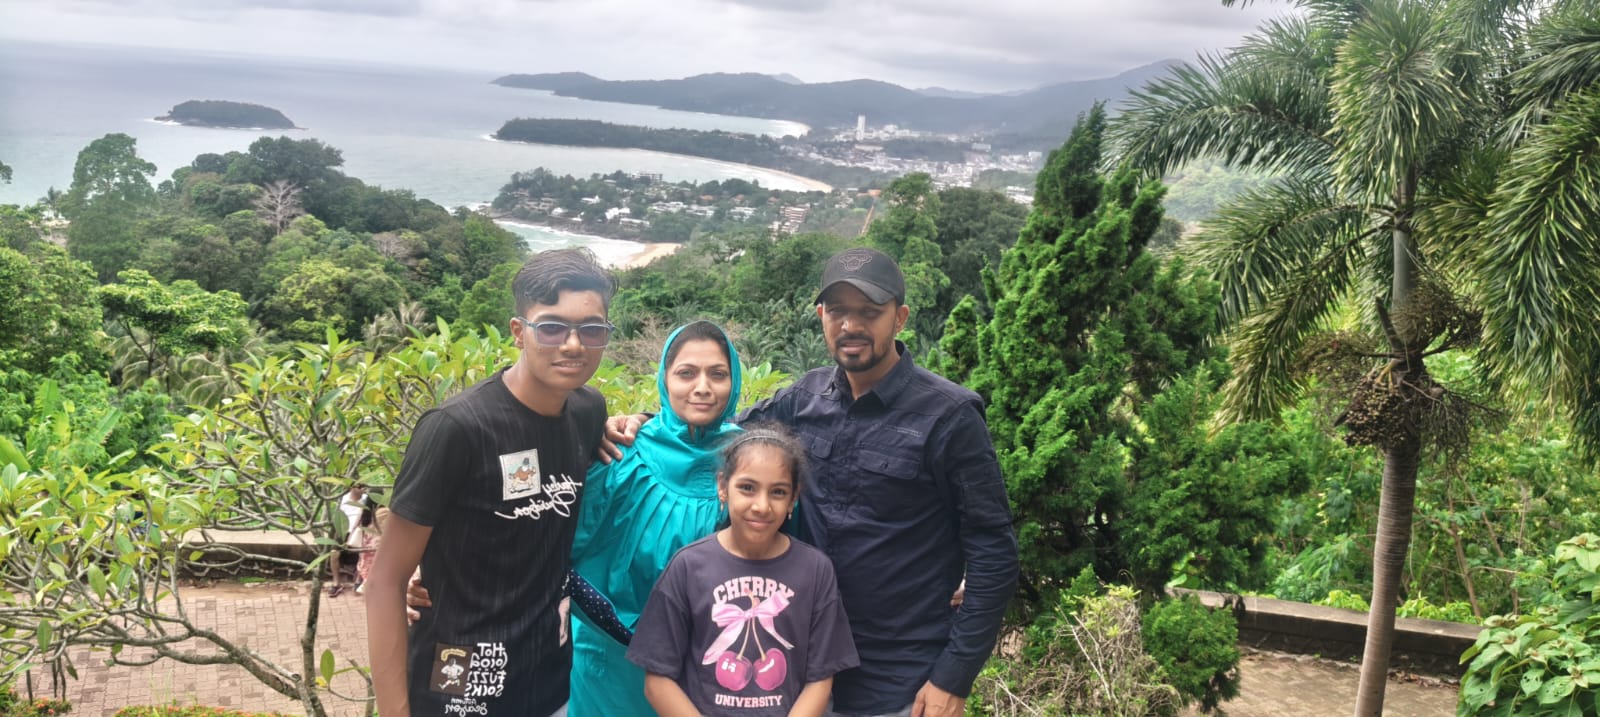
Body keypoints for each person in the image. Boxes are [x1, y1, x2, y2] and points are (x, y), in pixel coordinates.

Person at [609, 247, 1019, 717]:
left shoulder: (949, 415)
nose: (851, 325)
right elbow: (722, 435)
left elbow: (994, 549)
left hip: (898, 676)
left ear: (900, 318)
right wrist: (641, 424)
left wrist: (953, 675)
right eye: (838, 310)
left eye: (870, 311)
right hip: (797, 667)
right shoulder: (804, 398)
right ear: (822, 315)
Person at [367, 248, 615, 717]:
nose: (573, 345)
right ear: (519, 332)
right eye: (552, 327)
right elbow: (385, 580)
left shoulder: (588, 411)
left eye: (592, 329)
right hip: (459, 686)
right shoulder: (457, 428)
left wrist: (632, 422)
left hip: (551, 682)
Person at [568, 320, 746, 716]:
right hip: (609, 666)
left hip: (710, 667)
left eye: (718, 374)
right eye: (686, 373)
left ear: (734, 382)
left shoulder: (751, 463)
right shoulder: (620, 451)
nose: (703, 387)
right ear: (664, 379)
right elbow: (558, 537)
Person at [627, 426, 859, 717]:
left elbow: (821, 678)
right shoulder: (688, 566)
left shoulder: (815, 570)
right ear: (723, 486)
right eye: (747, 488)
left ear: (793, 498)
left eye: (778, 492)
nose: (761, 506)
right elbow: (658, 681)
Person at [329, 484, 367, 598]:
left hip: (359, 532)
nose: (361, 489)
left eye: (363, 487)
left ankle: (359, 580)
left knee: (363, 554)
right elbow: (337, 517)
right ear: (351, 487)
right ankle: (336, 583)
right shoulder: (342, 499)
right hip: (343, 531)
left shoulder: (366, 500)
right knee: (334, 554)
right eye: (358, 487)